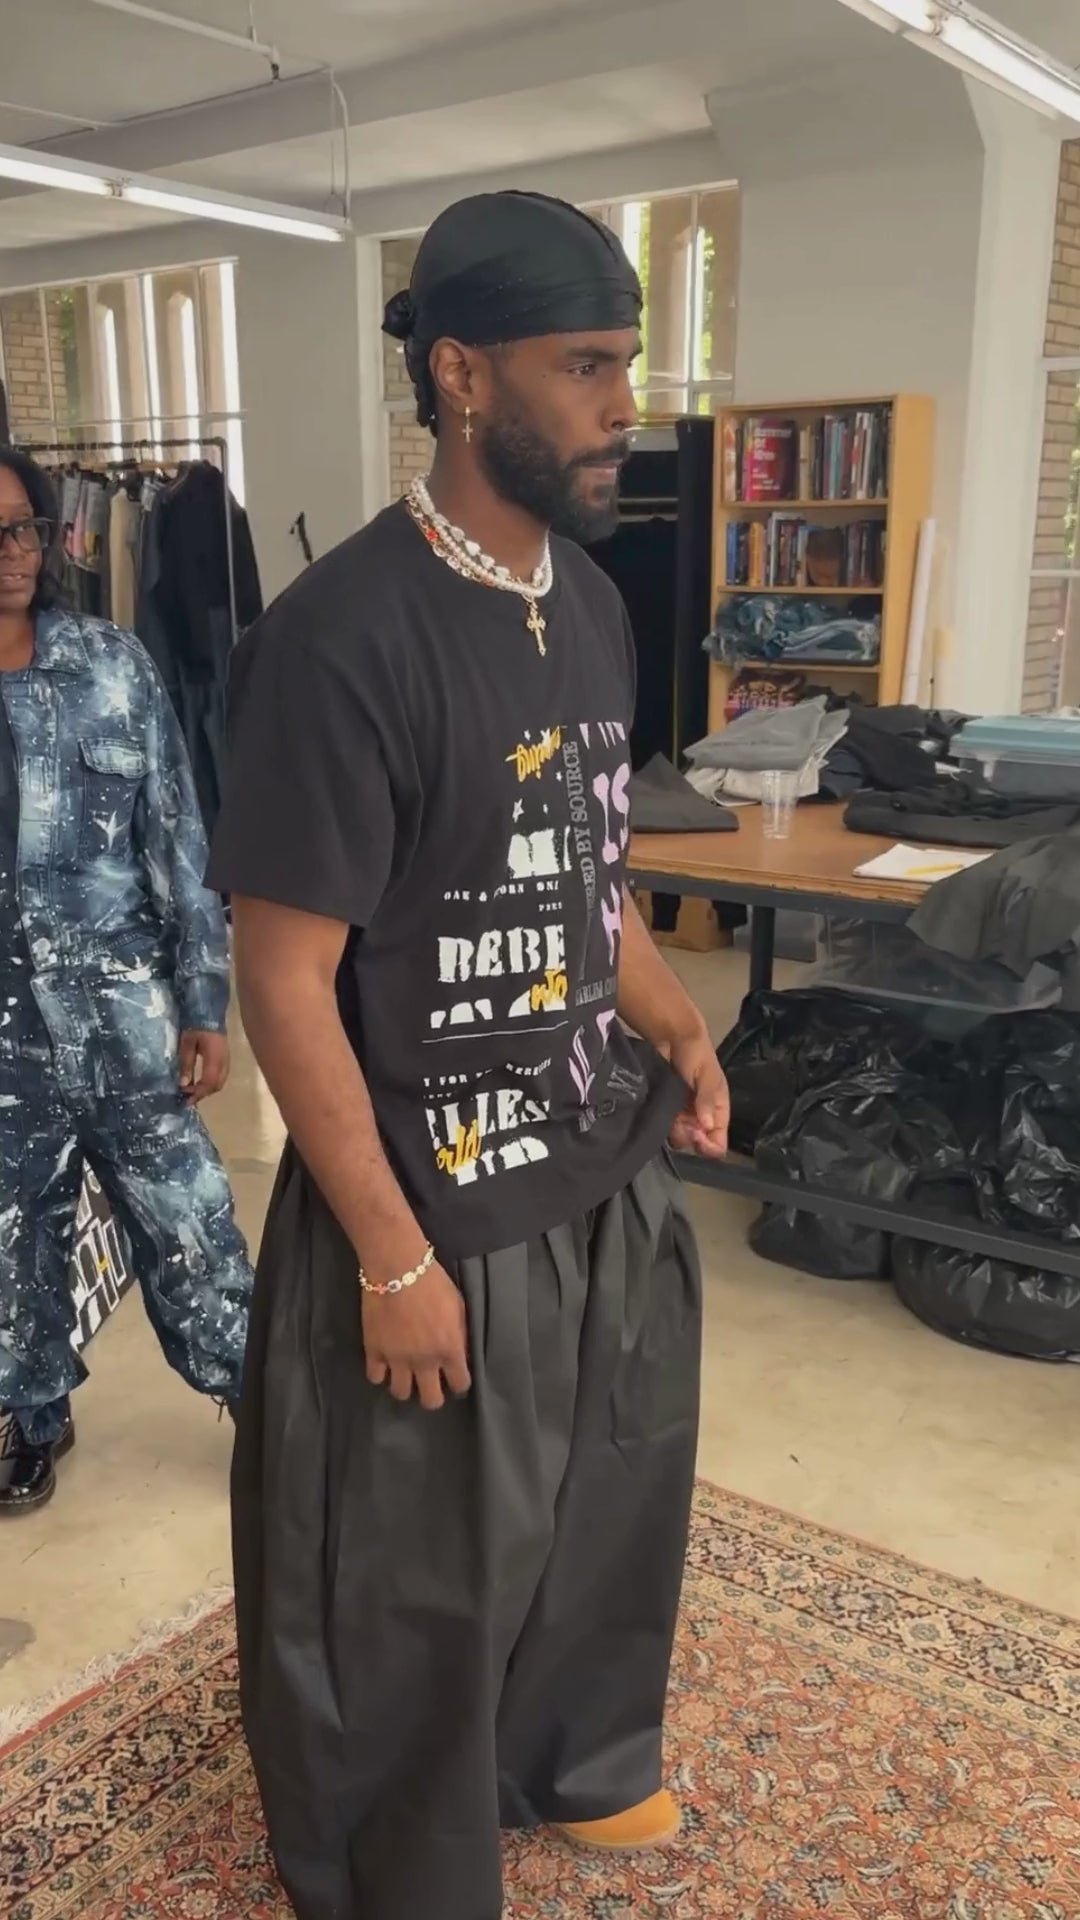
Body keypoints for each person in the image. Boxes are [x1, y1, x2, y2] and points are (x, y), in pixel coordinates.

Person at [208, 190, 730, 1920]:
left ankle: (579, 1757)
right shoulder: (336, 641)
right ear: (458, 374)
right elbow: (283, 979)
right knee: (406, 1583)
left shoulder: (586, 605)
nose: (621, 404)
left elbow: (590, 873)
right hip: (427, 1194)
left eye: (626, 365)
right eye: (586, 366)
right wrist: (394, 1253)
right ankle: (394, 1868)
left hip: (587, 1149)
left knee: (609, 1499)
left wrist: (668, 1022)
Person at [0, 447, 252, 1514]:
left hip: (121, 1015)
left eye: (18, 528)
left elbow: (179, 842)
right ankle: (27, 1416)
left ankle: (270, 1400)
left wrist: (204, 1003)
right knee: (10, 1237)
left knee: (191, 1219)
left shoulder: (113, 667)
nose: (6, 553)